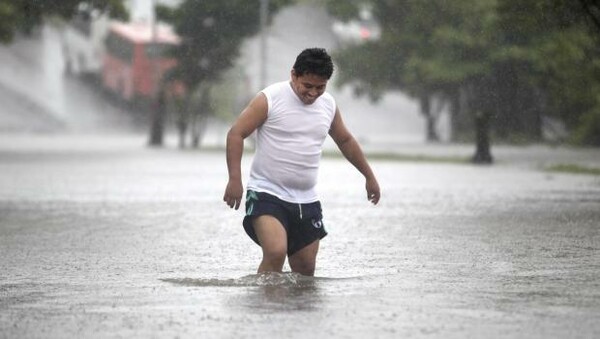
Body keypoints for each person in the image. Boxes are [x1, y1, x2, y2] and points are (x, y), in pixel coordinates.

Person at [223, 47, 380, 276]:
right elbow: (236, 134)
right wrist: (234, 180)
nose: (313, 93)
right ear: (294, 74)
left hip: (306, 200)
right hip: (267, 193)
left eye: (320, 87)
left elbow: (345, 140)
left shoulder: (328, 105)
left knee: (306, 270)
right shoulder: (270, 98)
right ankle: (261, 309)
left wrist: (369, 176)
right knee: (276, 252)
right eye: (307, 86)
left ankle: (295, 311)